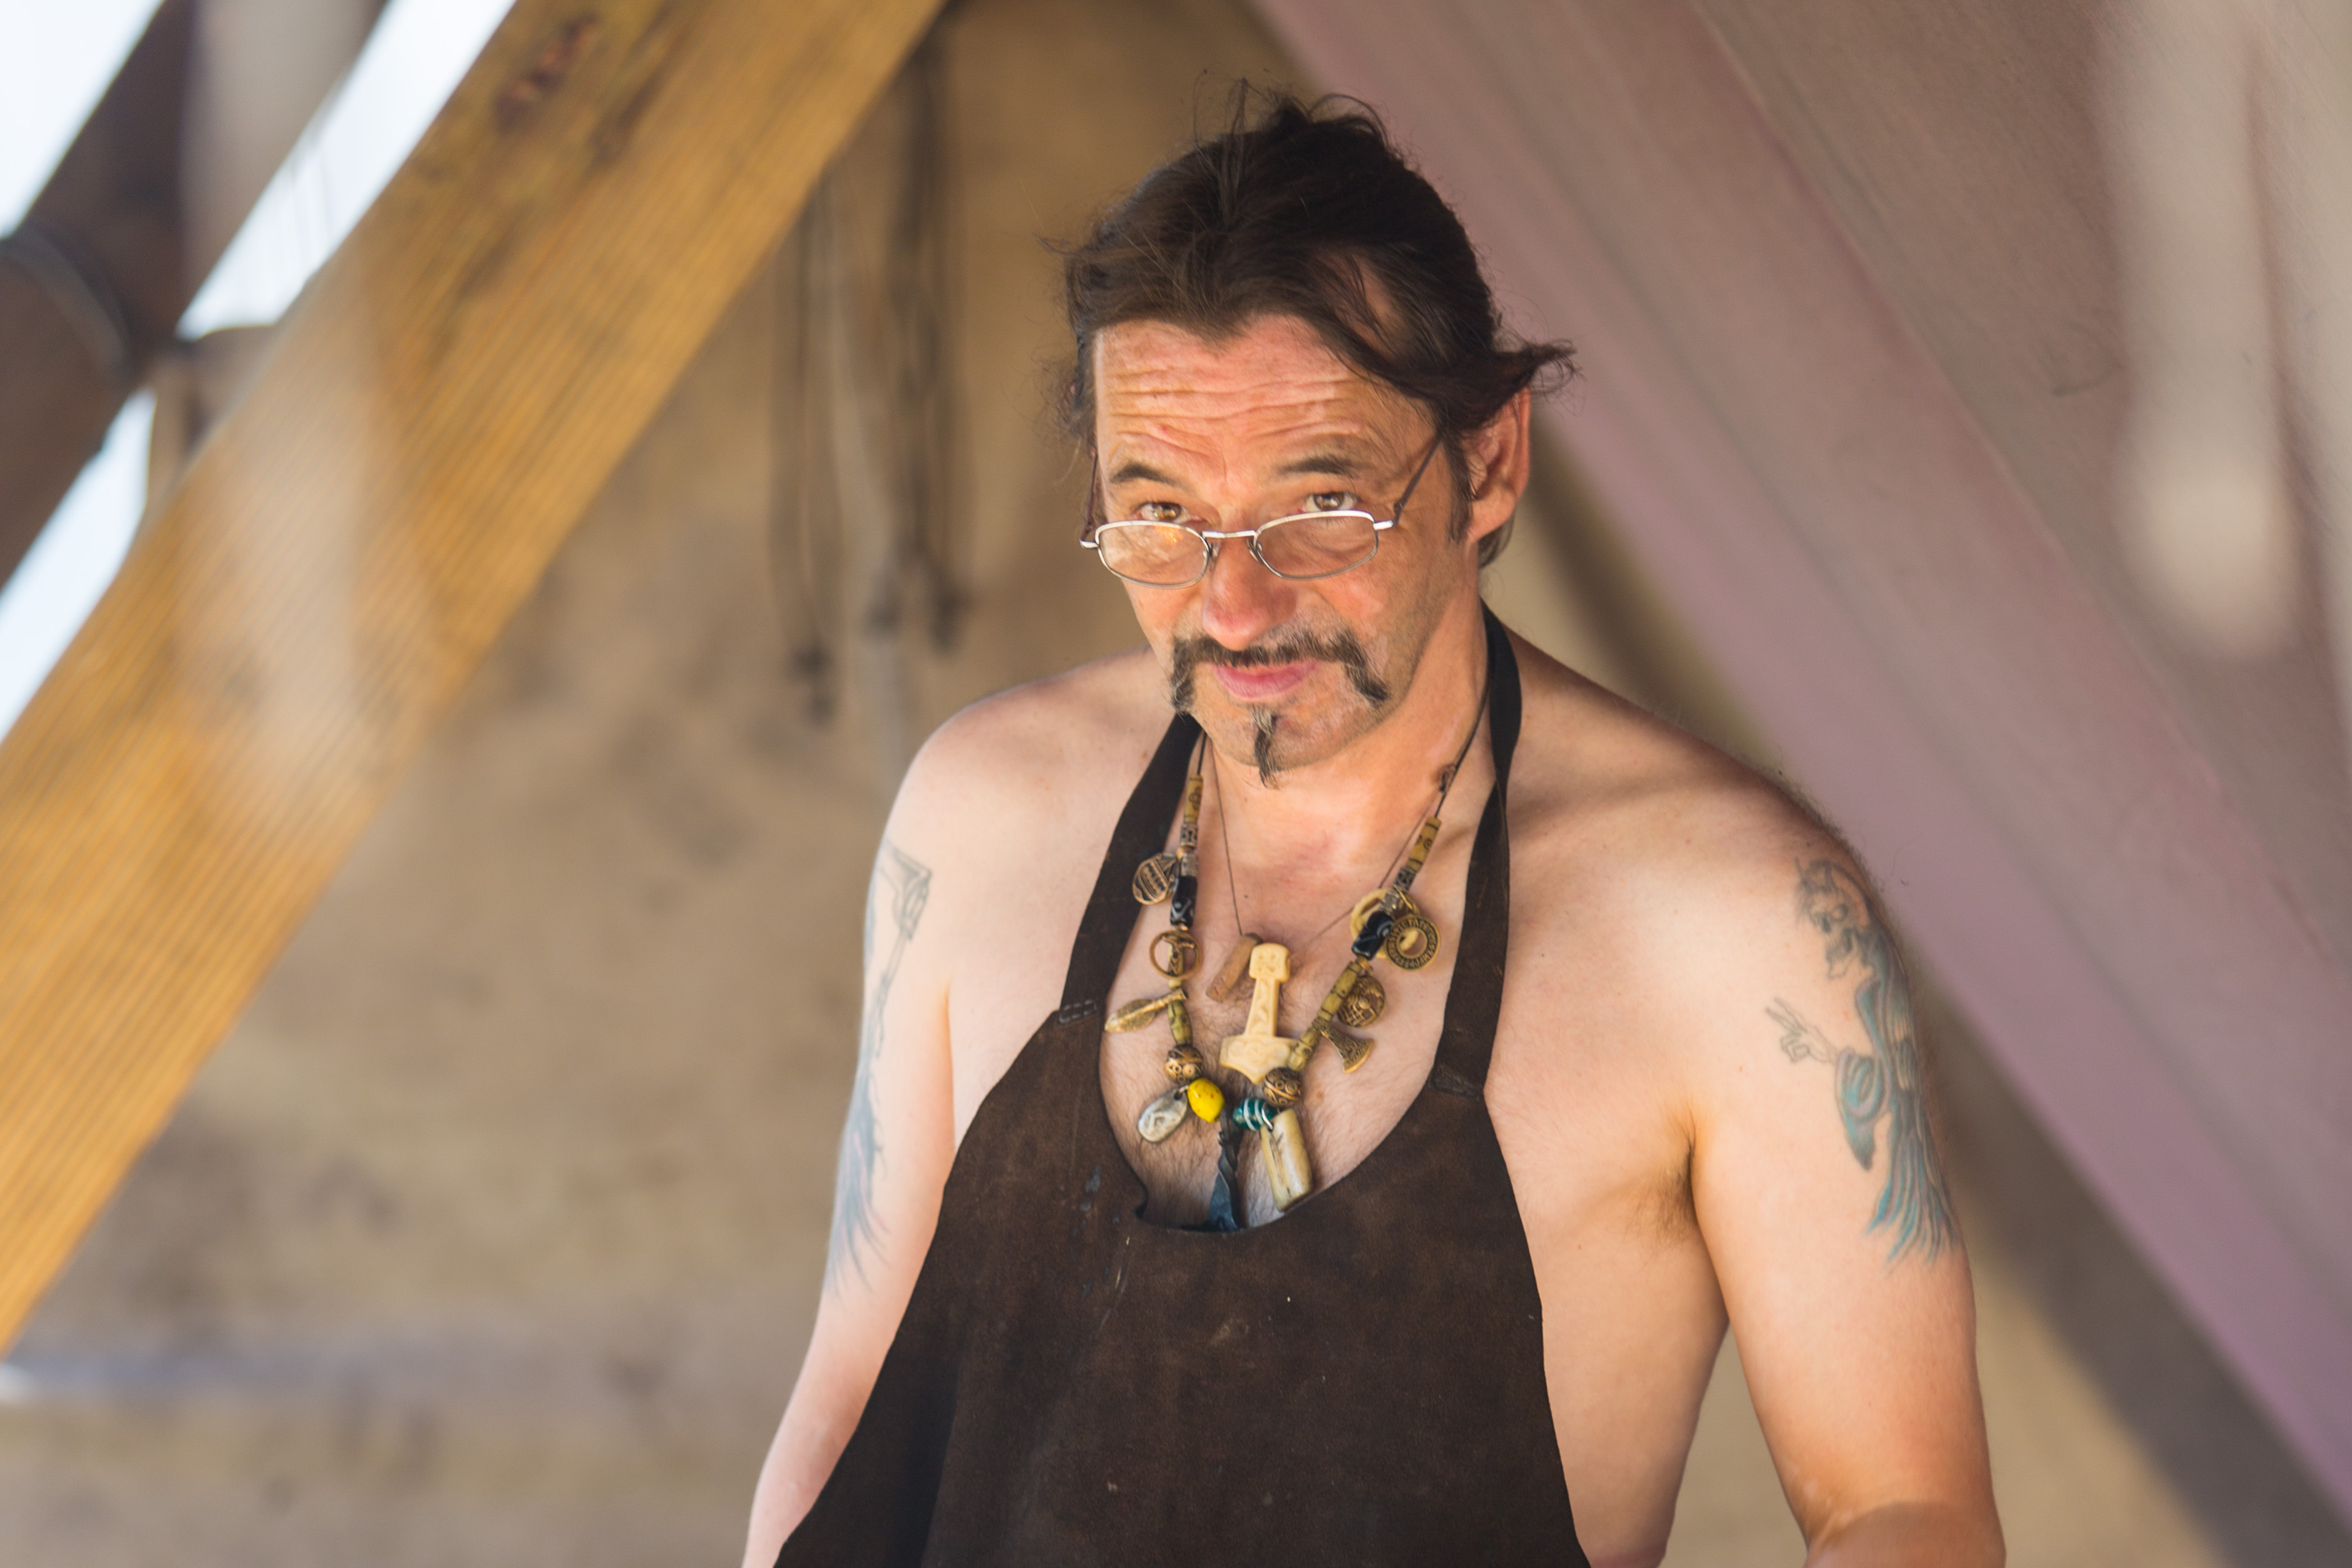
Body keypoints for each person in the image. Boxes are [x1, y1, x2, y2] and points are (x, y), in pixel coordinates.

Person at [745, 92, 2001, 1568]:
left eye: (1321, 503)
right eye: (1161, 516)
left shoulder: (1735, 918)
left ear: (1489, 461)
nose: (1234, 605)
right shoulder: (980, 806)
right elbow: (852, 1396)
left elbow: (1901, 1506)